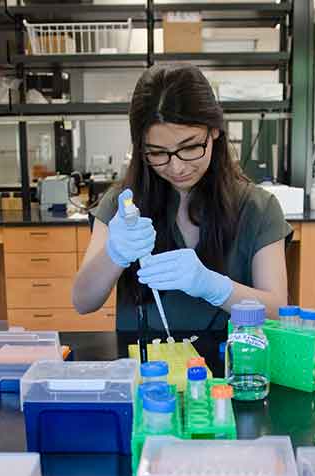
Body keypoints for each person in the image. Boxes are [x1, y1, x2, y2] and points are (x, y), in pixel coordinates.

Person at [72, 64, 292, 332]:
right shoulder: (123, 205)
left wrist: (215, 287)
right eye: (157, 152)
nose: (176, 168)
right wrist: (113, 254)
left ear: (215, 131)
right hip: (148, 370)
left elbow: (278, 313)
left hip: (233, 369)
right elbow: (83, 302)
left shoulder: (259, 209)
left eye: (189, 147)